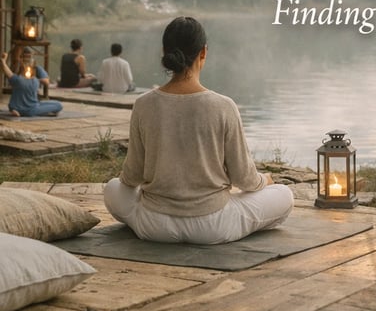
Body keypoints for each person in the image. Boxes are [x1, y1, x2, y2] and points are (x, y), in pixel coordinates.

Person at [103, 17, 293, 244]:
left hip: (155, 225)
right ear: (203, 52)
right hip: (213, 225)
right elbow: (244, 179)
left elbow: (131, 176)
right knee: (285, 195)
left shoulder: (143, 104)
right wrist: (265, 180)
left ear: (164, 51)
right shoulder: (223, 106)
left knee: (112, 188)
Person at [1, 48, 62, 117]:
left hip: (21, 105)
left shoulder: (20, 78)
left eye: (29, 57)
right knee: (58, 105)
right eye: (25, 57)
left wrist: (3, 61)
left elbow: (7, 71)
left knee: (54, 103)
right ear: (21, 58)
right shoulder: (22, 77)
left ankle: (14, 109)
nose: (27, 60)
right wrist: (32, 82)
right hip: (31, 109)